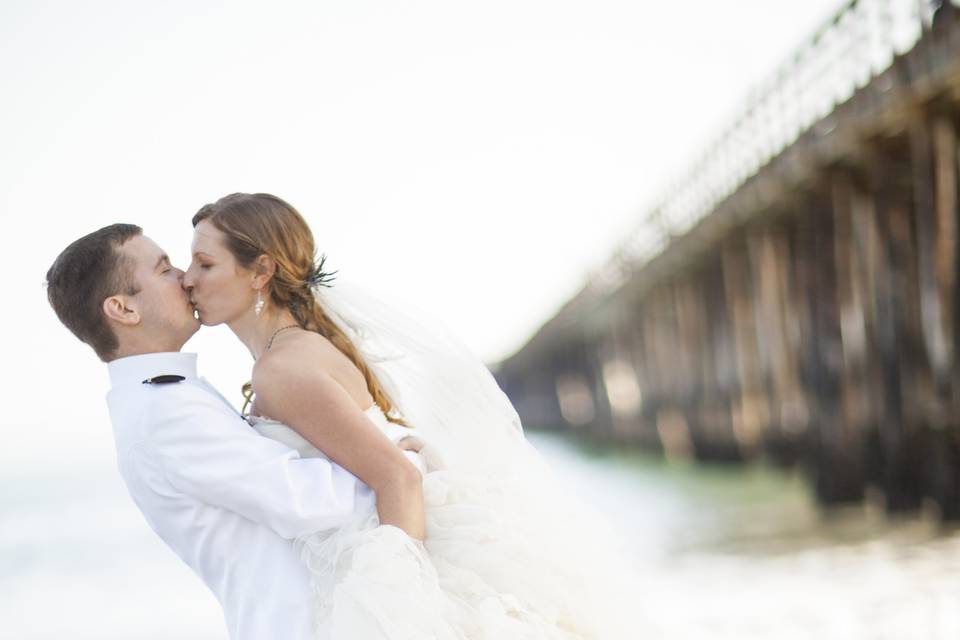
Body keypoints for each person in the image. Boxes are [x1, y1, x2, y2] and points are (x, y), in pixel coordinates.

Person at [183, 193, 643, 639]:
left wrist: (404, 613)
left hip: (403, 569)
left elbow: (399, 479)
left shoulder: (281, 369)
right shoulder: (296, 350)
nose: (188, 280)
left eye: (205, 264)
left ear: (261, 271)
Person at [44, 224, 422, 640]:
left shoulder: (166, 396)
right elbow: (309, 500)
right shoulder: (162, 413)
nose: (185, 278)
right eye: (164, 268)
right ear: (123, 309)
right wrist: (398, 459)